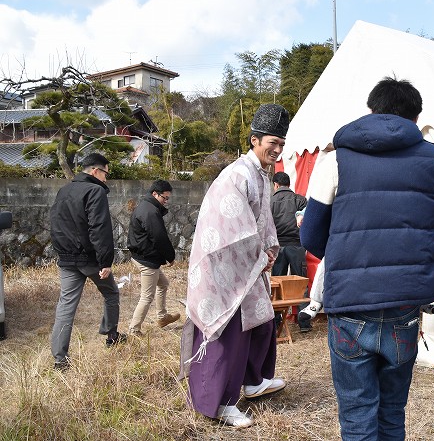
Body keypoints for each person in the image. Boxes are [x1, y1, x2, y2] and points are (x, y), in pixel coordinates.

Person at [300, 76, 434, 440]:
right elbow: (426, 223)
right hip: (404, 303)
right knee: (391, 411)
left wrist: (349, 254)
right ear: (415, 119)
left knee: (357, 413)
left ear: (371, 111)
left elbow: (310, 236)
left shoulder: (335, 159)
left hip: (351, 303)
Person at [183, 104, 289, 428]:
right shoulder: (238, 174)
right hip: (224, 269)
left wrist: (267, 249)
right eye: (273, 142)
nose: (278, 149)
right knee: (228, 334)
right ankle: (218, 403)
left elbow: (262, 221)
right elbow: (232, 229)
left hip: (247, 265)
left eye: (282, 144)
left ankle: (255, 380)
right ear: (255, 139)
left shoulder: (258, 174)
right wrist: (260, 252)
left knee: (262, 321)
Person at [49, 152, 126, 370]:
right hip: (90, 259)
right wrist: (105, 261)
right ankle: (111, 336)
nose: (106, 179)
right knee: (111, 293)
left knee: (66, 305)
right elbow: (99, 228)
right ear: (95, 171)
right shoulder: (95, 190)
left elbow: (55, 225)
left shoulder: (64, 191)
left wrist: (62, 253)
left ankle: (60, 360)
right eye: (105, 174)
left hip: (67, 258)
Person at [127, 179, 180, 336]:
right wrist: (170, 256)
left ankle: (162, 317)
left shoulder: (147, 207)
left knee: (163, 284)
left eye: (167, 198)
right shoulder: (150, 211)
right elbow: (159, 237)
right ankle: (134, 330)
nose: (166, 201)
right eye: (164, 197)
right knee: (146, 297)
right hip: (147, 259)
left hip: (143, 256)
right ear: (154, 194)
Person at [270, 171, 310, 332]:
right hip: (296, 245)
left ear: (276, 185)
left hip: (277, 246)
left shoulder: (270, 202)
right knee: (300, 282)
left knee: (276, 284)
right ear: (288, 184)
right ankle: (304, 322)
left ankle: (276, 320)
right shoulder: (300, 200)